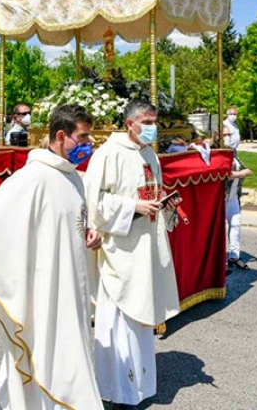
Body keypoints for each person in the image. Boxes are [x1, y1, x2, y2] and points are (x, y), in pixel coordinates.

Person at [0, 104, 103, 409]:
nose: (88, 145)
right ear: (61, 135)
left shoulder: (73, 177)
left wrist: (89, 233)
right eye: (83, 138)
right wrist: (20, 272)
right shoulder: (34, 178)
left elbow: (69, 222)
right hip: (44, 290)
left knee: (62, 356)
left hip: (72, 286)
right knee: (43, 356)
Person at [83, 100, 182, 407]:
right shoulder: (107, 154)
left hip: (146, 249)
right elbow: (92, 201)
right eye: (147, 121)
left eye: (155, 120)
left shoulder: (150, 154)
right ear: (129, 123)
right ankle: (112, 393)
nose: (153, 126)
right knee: (118, 323)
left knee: (140, 326)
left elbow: (152, 190)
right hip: (120, 252)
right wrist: (132, 207)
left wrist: (167, 204)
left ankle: (137, 388)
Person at [226, 155, 253, 270]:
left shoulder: (233, 155)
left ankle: (234, 256)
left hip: (233, 197)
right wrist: (240, 174)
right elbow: (222, 175)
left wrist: (238, 174)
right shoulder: (218, 154)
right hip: (221, 198)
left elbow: (248, 170)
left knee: (236, 224)